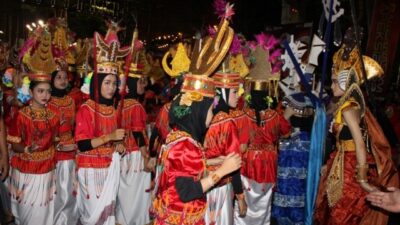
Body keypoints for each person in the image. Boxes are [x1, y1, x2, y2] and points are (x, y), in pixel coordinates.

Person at [314, 28, 398, 225]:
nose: (331, 86)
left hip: (350, 170)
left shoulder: (349, 109)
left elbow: (360, 144)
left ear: (346, 82)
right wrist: (330, 164)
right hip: (341, 164)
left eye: (335, 82)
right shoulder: (345, 106)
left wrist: (362, 180)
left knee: (343, 214)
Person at [74, 25, 128, 225]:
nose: (112, 87)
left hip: (110, 168)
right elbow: (82, 144)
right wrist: (110, 138)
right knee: (94, 218)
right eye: (107, 83)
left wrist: (119, 146)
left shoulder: (113, 110)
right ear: (97, 83)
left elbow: (115, 141)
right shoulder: (86, 109)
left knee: (107, 215)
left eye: (114, 83)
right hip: (90, 170)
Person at [7, 72, 59, 224]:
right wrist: (26, 149)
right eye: (40, 91)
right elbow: (14, 143)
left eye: (48, 91)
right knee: (26, 209)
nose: (45, 95)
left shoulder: (53, 116)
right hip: (26, 169)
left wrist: (60, 145)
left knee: (43, 209)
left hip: (47, 168)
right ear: (31, 92)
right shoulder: (22, 115)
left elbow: (54, 140)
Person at [203, 71, 247, 225]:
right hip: (221, 185)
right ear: (223, 92)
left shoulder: (205, 115)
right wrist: (240, 197)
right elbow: (234, 164)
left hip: (203, 185)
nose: (238, 96)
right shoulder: (227, 121)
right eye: (234, 92)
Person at [116, 61, 152, 225]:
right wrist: (146, 156)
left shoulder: (120, 105)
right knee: (136, 191)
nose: (143, 85)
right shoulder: (136, 106)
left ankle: (123, 219)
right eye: (139, 82)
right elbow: (138, 133)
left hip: (124, 155)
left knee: (126, 190)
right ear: (131, 83)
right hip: (136, 154)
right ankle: (135, 221)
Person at [48, 69, 78, 225]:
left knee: (69, 187)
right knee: (56, 189)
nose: (62, 80)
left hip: (69, 148)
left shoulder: (71, 101)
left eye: (65, 77)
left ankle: (68, 220)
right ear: (51, 80)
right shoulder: (47, 100)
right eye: (58, 77)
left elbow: (72, 125)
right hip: (52, 149)